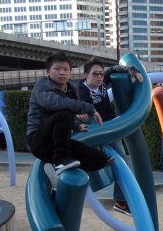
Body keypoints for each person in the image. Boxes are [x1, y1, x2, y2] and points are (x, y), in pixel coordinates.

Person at [26, 51, 113, 186]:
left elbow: (65, 118)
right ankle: (60, 161)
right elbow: (56, 104)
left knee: (101, 159)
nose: (62, 72)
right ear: (48, 71)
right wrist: (88, 108)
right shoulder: (42, 86)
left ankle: (58, 172)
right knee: (64, 111)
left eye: (66, 69)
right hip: (39, 141)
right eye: (57, 69)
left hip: (57, 145)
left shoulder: (71, 89)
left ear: (70, 72)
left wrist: (76, 125)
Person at [78, 59, 143, 216]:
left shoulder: (101, 82)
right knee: (114, 162)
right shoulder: (80, 92)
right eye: (95, 74)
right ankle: (120, 200)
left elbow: (115, 68)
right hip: (95, 132)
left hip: (110, 129)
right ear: (86, 75)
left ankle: (120, 201)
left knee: (121, 161)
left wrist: (133, 70)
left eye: (101, 74)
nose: (99, 77)